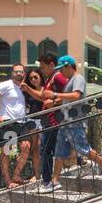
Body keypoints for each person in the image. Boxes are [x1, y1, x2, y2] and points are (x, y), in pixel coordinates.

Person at [51, 55, 102, 182]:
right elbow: (70, 98)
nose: (60, 72)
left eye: (61, 69)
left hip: (75, 122)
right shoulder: (70, 80)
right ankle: (54, 182)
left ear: (68, 66)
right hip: (65, 123)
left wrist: (55, 94)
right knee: (58, 153)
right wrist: (56, 101)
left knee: (83, 149)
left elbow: (76, 95)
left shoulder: (78, 78)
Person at [0, 64, 34, 188]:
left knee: (26, 146)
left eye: (21, 72)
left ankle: (16, 175)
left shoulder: (23, 87)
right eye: (16, 71)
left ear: (24, 74)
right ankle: (8, 182)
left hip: (21, 123)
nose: (19, 74)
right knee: (7, 152)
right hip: (7, 123)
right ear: (12, 73)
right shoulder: (6, 85)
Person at [32, 52, 67, 192]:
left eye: (43, 67)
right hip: (49, 121)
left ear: (51, 65)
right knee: (46, 150)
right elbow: (43, 97)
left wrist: (54, 101)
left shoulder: (57, 77)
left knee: (46, 150)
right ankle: (46, 181)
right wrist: (28, 89)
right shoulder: (49, 79)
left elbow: (69, 95)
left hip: (54, 121)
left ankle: (47, 182)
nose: (41, 70)